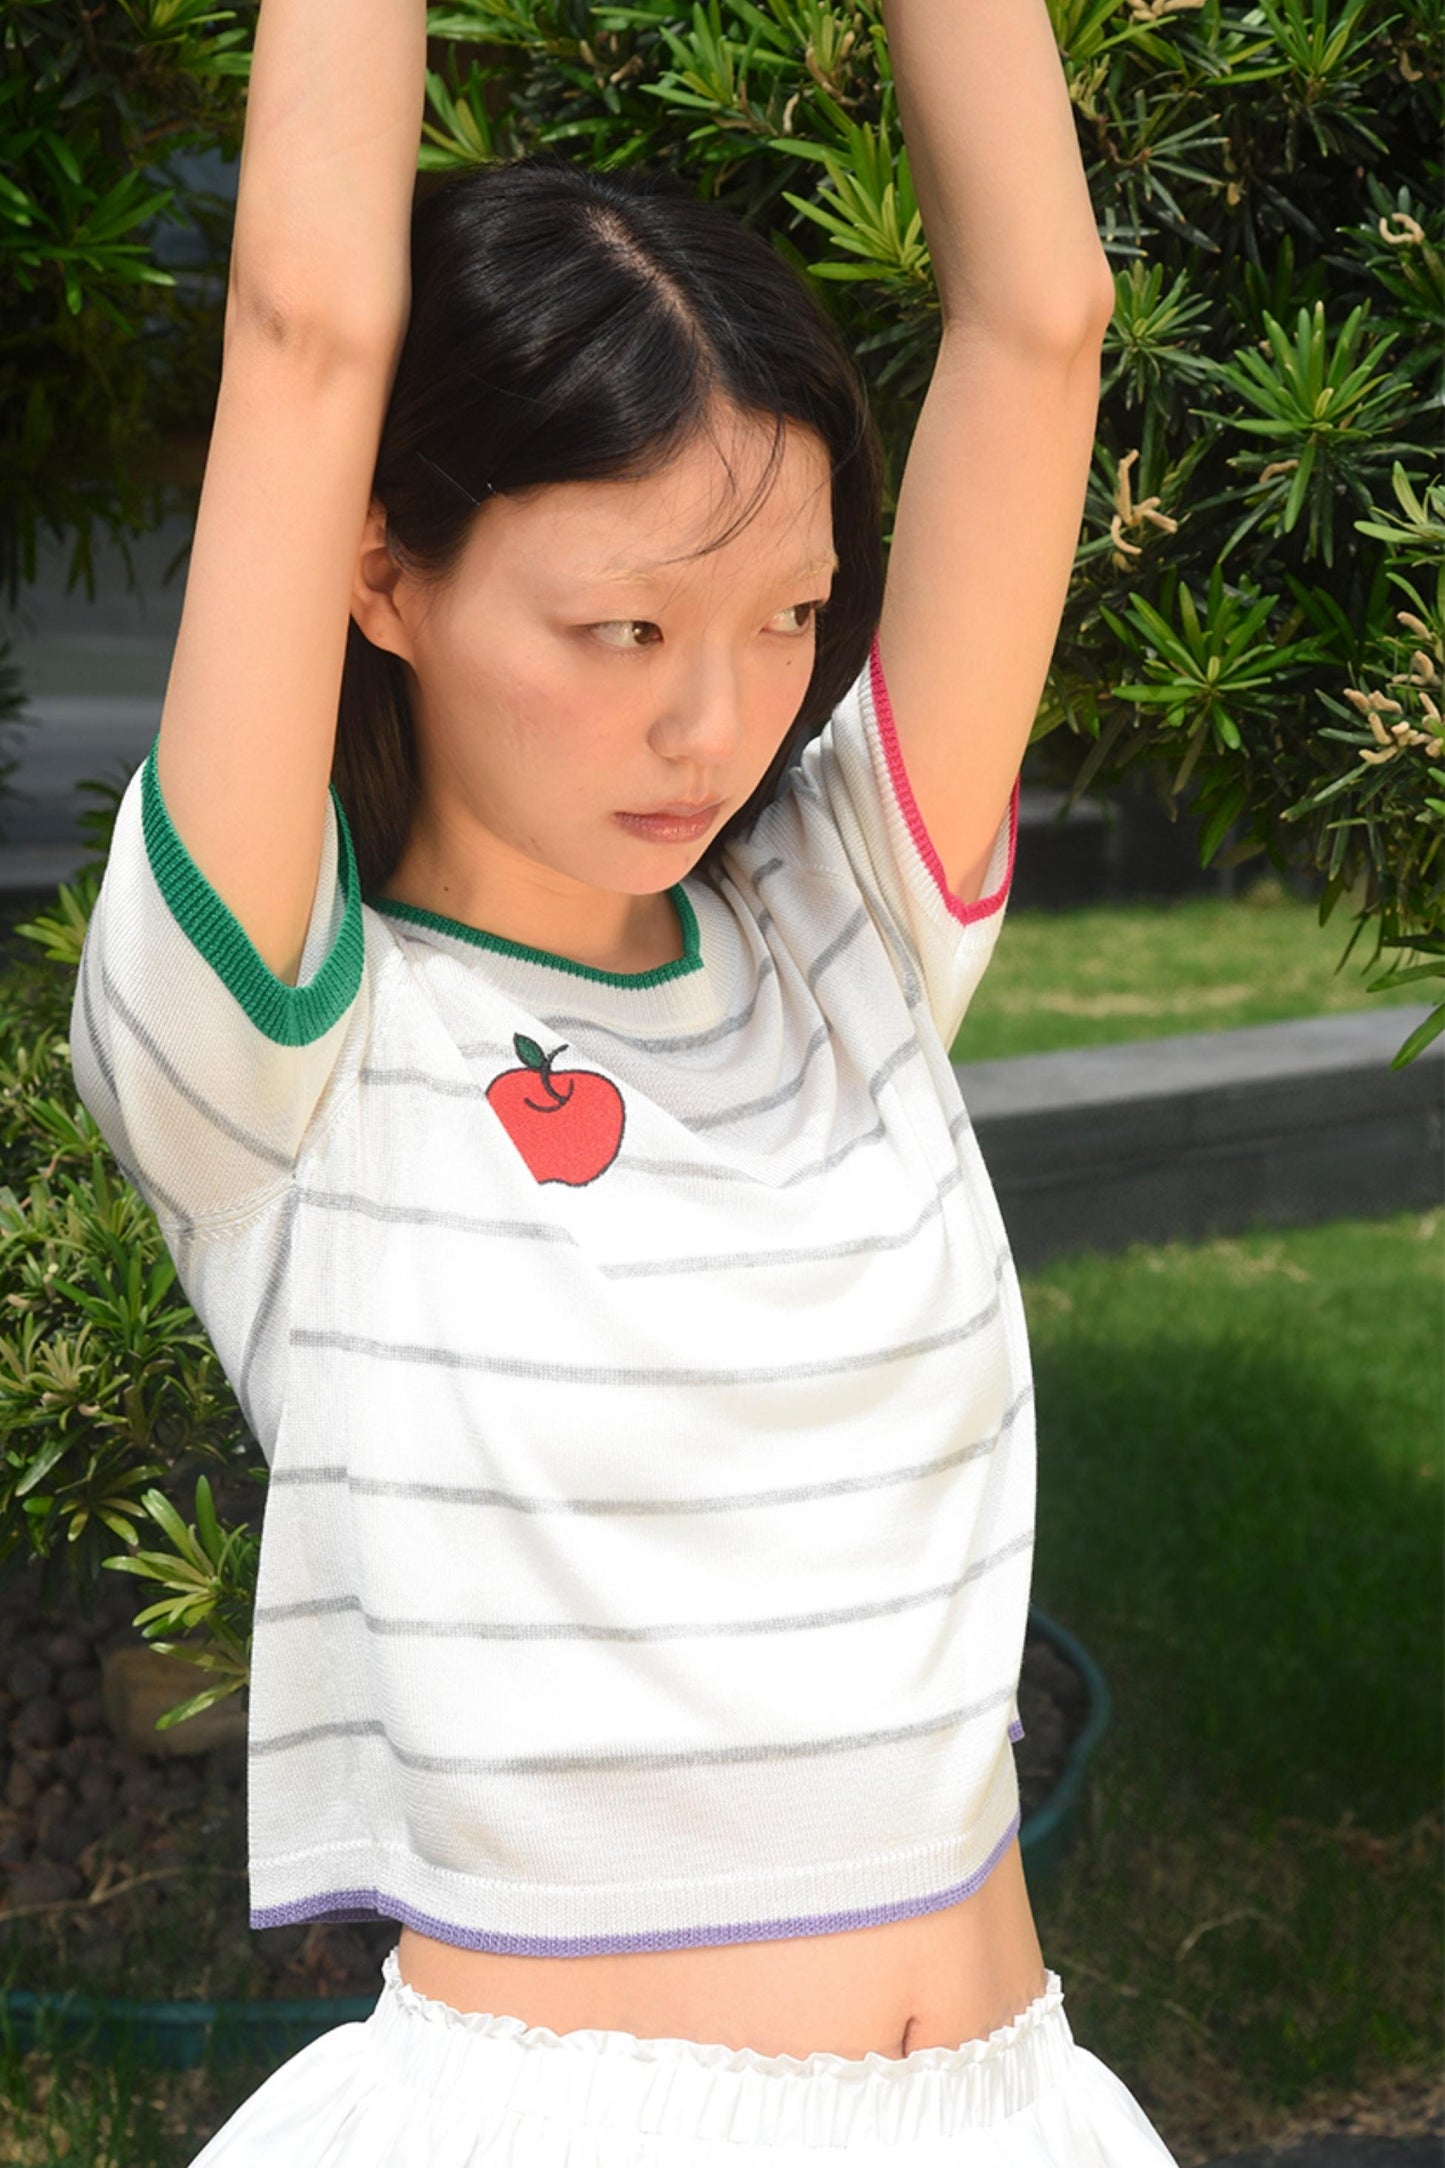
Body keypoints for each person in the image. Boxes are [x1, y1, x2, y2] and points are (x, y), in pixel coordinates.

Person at [67, 0, 1183, 2157]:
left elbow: (1042, 320)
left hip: (1009, 2100)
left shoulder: (843, 917)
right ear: (383, 569)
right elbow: (305, 331)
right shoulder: (284, 1039)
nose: (723, 722)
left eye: (786, 619)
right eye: (625, 635)